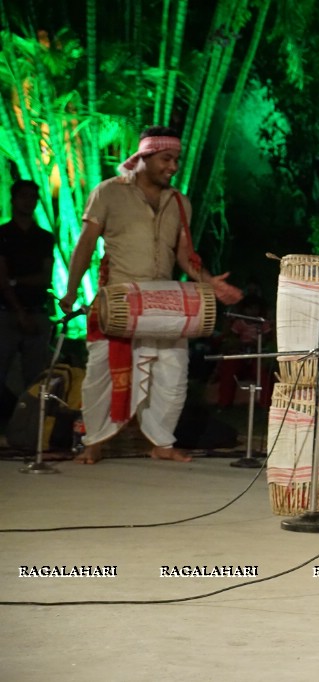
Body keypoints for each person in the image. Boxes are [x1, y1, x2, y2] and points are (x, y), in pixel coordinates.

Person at [59, 126, 243, 464]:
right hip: (118, 299)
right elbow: (85, 244)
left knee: (172, 371)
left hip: (164, 303)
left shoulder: (179, 201)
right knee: (101, 372)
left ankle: (161, 442)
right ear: (144, 156)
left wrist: (210, 282)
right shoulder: (108, 193)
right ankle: (94, 441)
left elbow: (185, 255)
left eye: (176, 160)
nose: (173, 166)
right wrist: (71, 291)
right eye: (166, 159)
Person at [0, 180, 54, 412]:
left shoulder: (43, 237)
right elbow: (1, 278)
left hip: (36, 311)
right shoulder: (3, 234)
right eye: (24, 196)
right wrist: (19, 311)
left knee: (37, 378)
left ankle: (29, 429)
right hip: (7, 313)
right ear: (13, 200)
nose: (28, 201)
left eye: (33, 197)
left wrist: (14, 280)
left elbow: (45, 278)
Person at [216, 295, 273, 410]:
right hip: (241, 354)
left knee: (264, 371)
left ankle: (266, 406)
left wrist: (258, 343)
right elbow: (232, 339)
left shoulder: (263, 323)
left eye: (255, 308)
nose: (253, 311)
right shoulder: (238, 323)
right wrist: (240, 344)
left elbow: (268, 339)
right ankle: (224, 404)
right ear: (244, 310)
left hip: (258, 355)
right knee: (229, 368)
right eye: (250, 308)